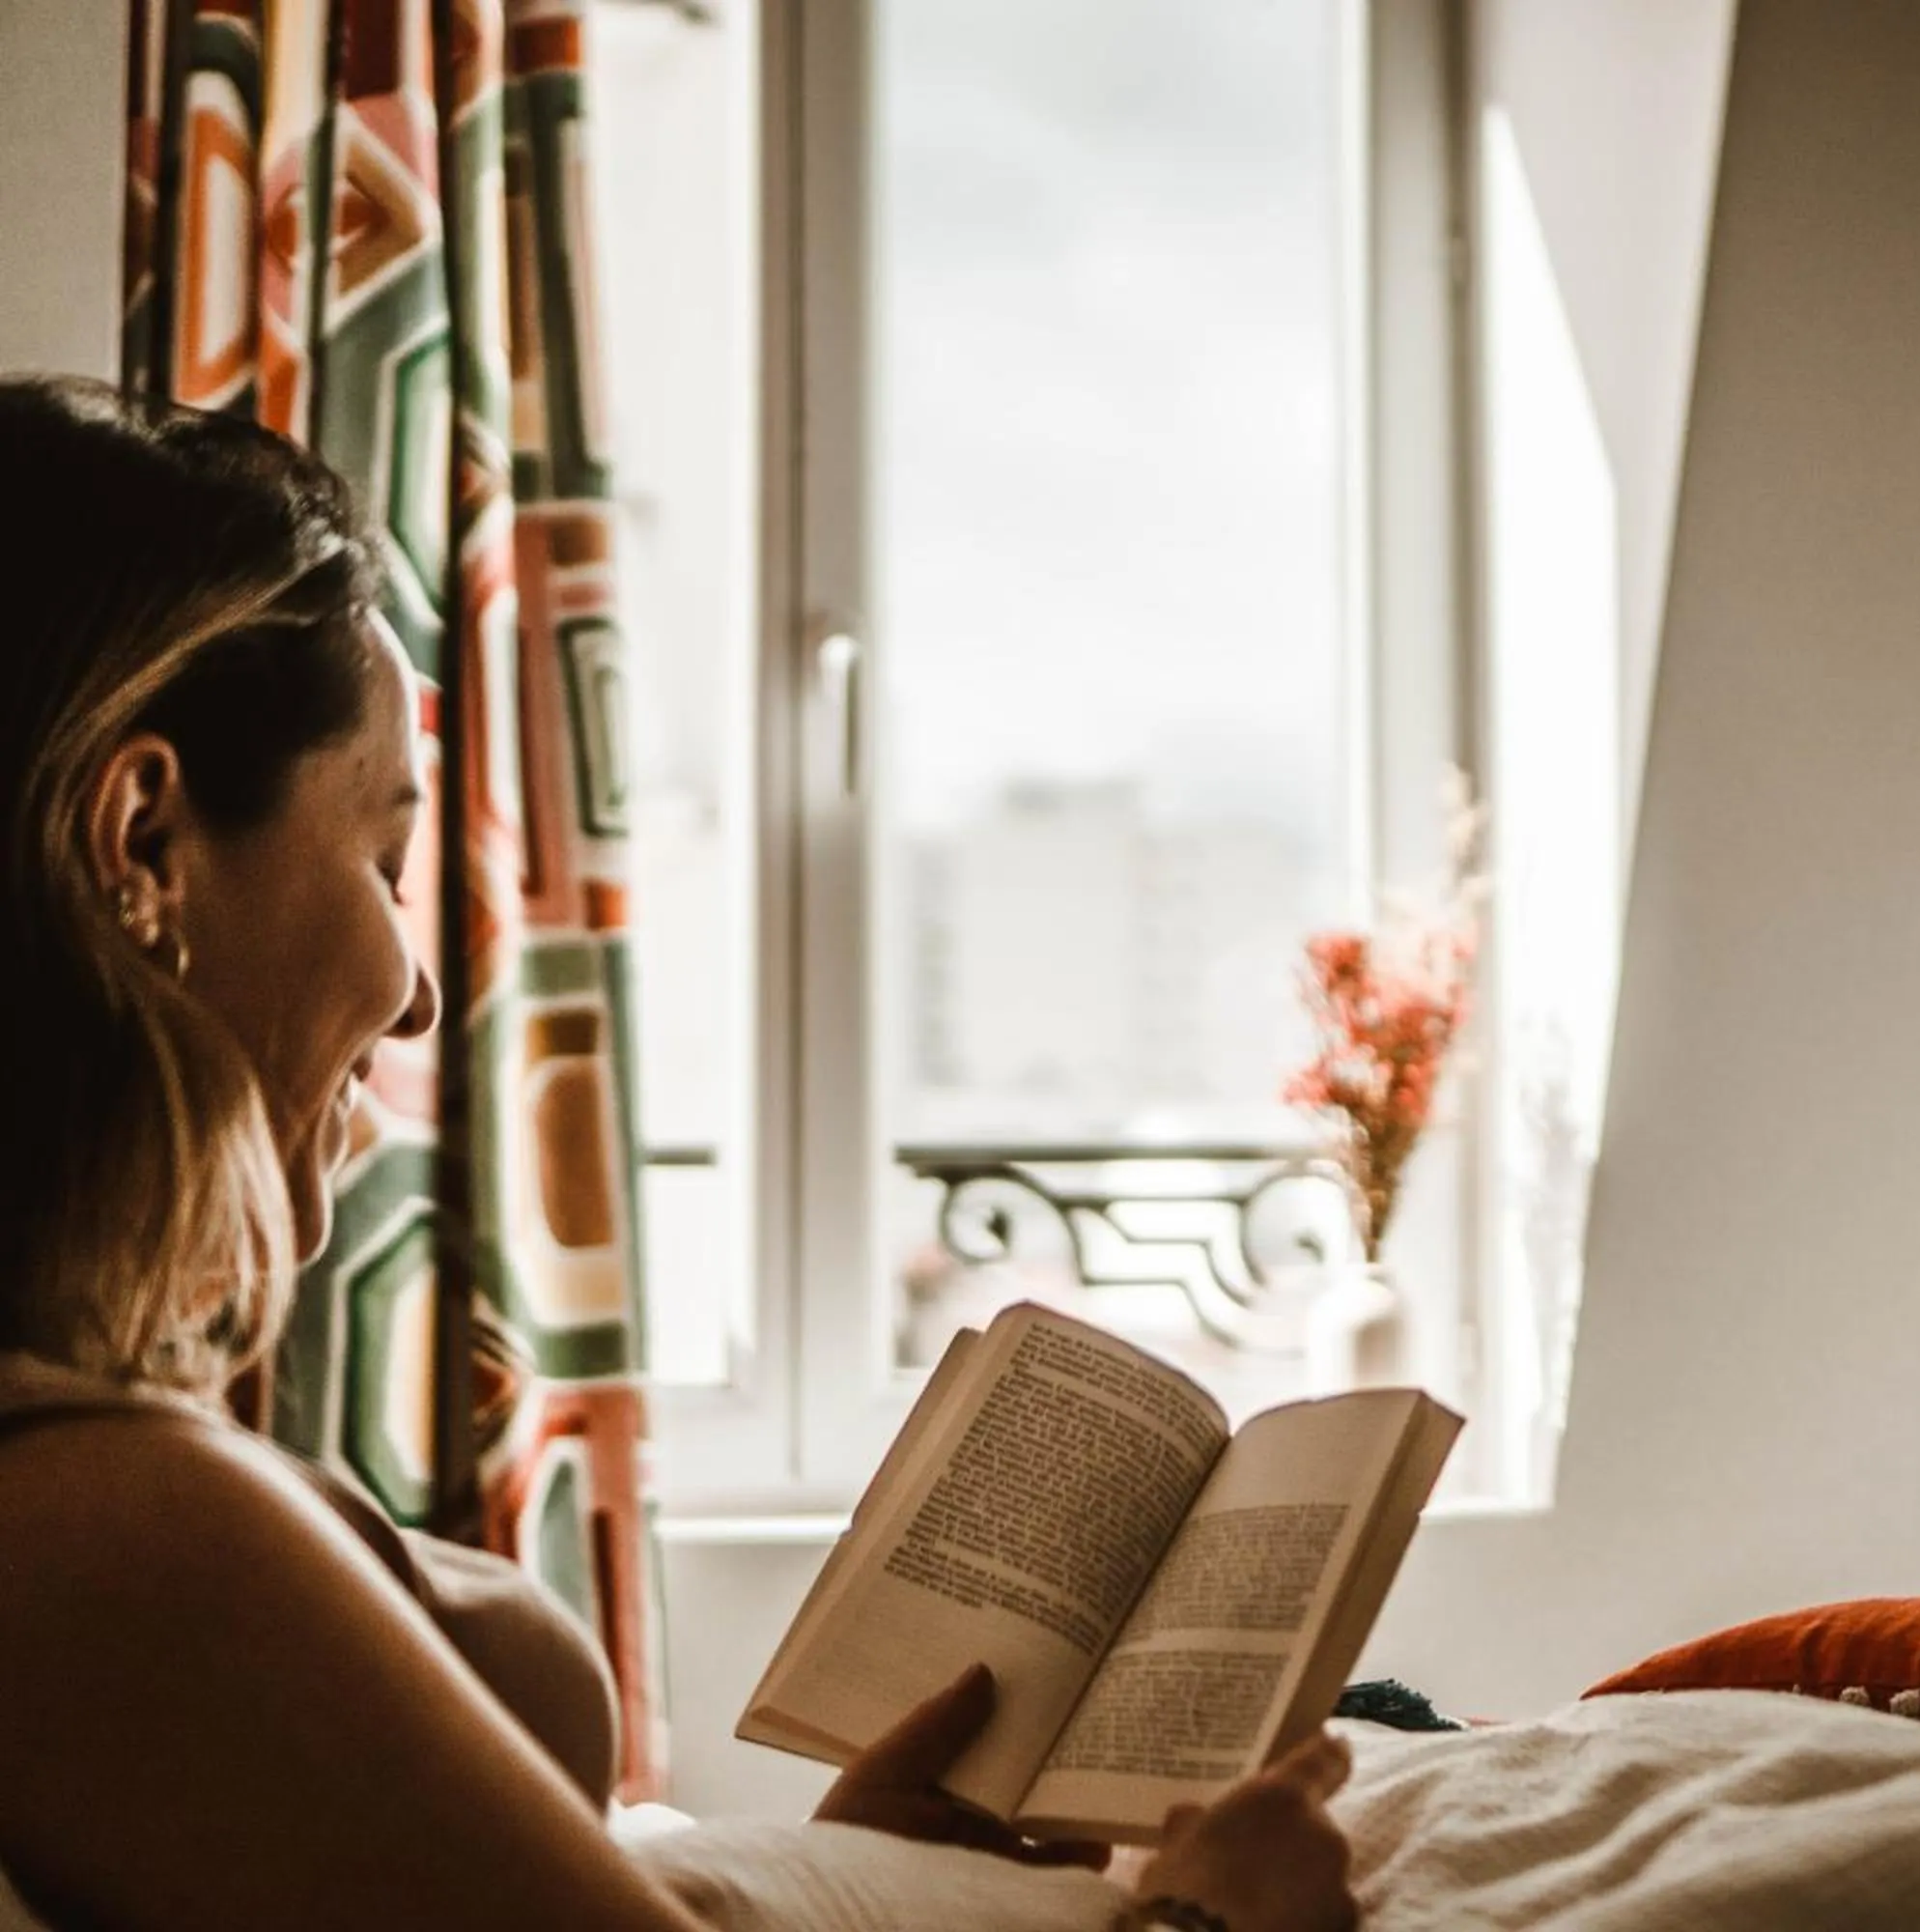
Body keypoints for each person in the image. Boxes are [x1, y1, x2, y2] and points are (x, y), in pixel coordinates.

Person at [0, 375, 1357, 1932]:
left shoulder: (93, 1488)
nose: (420, 992)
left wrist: (840, 1859)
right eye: (384, 858)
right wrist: (1213, 1923)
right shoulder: (102, 1533)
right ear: (144, 845)